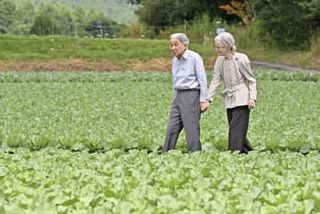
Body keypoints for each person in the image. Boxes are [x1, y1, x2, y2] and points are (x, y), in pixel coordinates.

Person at [207, 32, 257, 154]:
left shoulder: (241, 58)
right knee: (236, 126)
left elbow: (251, 80)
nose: (217, 49)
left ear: (229, 46)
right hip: (229, 98)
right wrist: (208, 98)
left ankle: (233, 153)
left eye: (220, 47)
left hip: (242, 97)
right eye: (217, 47)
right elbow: (216, 79)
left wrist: (252, 98)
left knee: (236, 128)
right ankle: (247, 151)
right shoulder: (220, 60)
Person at [163, 33, 209, 152]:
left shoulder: (194, 57)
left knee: (191, 128)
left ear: (185, 45)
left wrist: (204, 100)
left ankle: (195, 154)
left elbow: (202, 79)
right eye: (171, 45)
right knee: (172, 128)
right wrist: (175, 97)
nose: (173, 48)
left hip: (191, 95)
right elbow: (175, 81)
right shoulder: (175, 60)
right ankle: (166, 153)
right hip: (178, 96)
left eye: (176, 45)